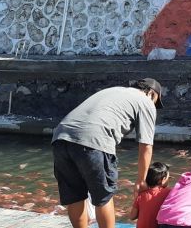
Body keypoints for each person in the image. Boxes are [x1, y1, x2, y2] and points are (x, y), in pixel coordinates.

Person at [52, 78, 164, 228]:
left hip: (60, 137)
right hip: (94, 139)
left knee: (75, 197)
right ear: (151, 93)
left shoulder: (114, 90)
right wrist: (141, 180)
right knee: (103, 197)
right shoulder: (146, 101)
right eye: (156, 102)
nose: (154, 106)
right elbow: (146, 146)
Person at [130, 162, 171, 228]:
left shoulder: (141, 195)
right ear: (163, 180)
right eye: (169, 178)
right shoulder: (169, 193)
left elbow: (132, 216)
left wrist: (136, 197)